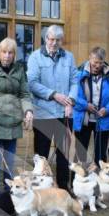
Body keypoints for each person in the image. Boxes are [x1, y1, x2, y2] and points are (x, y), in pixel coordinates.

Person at [0, 38, 33, 196]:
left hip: (14, 120)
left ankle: (10, 192)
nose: (7, 55)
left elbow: (24, 93)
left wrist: (28, 110)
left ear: (14, 54)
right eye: (4, 52)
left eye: (10, 52)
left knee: (10, 160)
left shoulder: (19, 69)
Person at [27, 25, 77, 189]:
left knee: (64, 154)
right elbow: (32, 83)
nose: (54, 43)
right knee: (41, 156)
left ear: (61, 41)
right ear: (45, 39)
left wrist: (70, 100)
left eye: (57, 40)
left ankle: (63, 188)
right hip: (43, 114)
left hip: (64, 113)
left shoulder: (69, 57)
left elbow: (75, 81)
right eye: (51, 39)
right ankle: (41, 189)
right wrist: (54, 94)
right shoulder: (35, 57)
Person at [72, 46, 109, 165]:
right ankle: (76, 182)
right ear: (89, 58)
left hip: (103, 120)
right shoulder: (78, 74)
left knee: (101, 156)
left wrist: (107, 109)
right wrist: (85, 105)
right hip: (83, 119)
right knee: (79, 154)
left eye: (100, 63)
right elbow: (73, 95)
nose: (97, 65)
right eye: (95, 62)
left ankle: (100, 182)